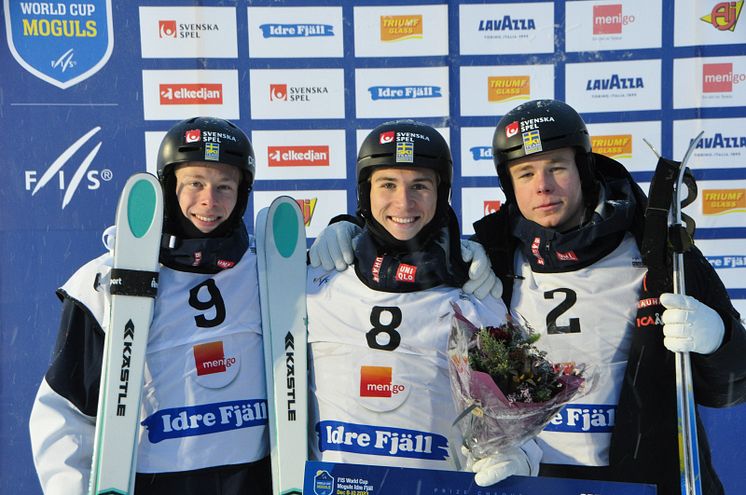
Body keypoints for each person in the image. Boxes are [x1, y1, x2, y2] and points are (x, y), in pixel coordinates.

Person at [308, 100, 746, 494]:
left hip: (648, 479)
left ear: (583, 169)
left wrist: (718, 341)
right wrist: (349, 227)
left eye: (555, 167)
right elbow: (407, 237)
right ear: (507, 184)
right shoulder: (491, 258)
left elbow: (733, 384)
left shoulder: (656, 249)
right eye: (525, 173)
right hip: (530, 481)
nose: (543, 187)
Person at [29, 117, 272, 494]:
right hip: (153, 482)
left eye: (225, 186)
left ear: (242, 194)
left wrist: (348, 237)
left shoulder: (269, 273)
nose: (210, 200)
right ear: (168, 185)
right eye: (195, 183)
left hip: (250, 480)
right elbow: (65, 412)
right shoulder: (106, 280)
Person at [306, 120, 541, 487]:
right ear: (365, 192)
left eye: (420, 186)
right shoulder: (316, 282)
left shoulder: (476, 294)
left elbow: (521, 406)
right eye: (387, 185)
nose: (404, 202)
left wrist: (521, 455)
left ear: (441, 194)